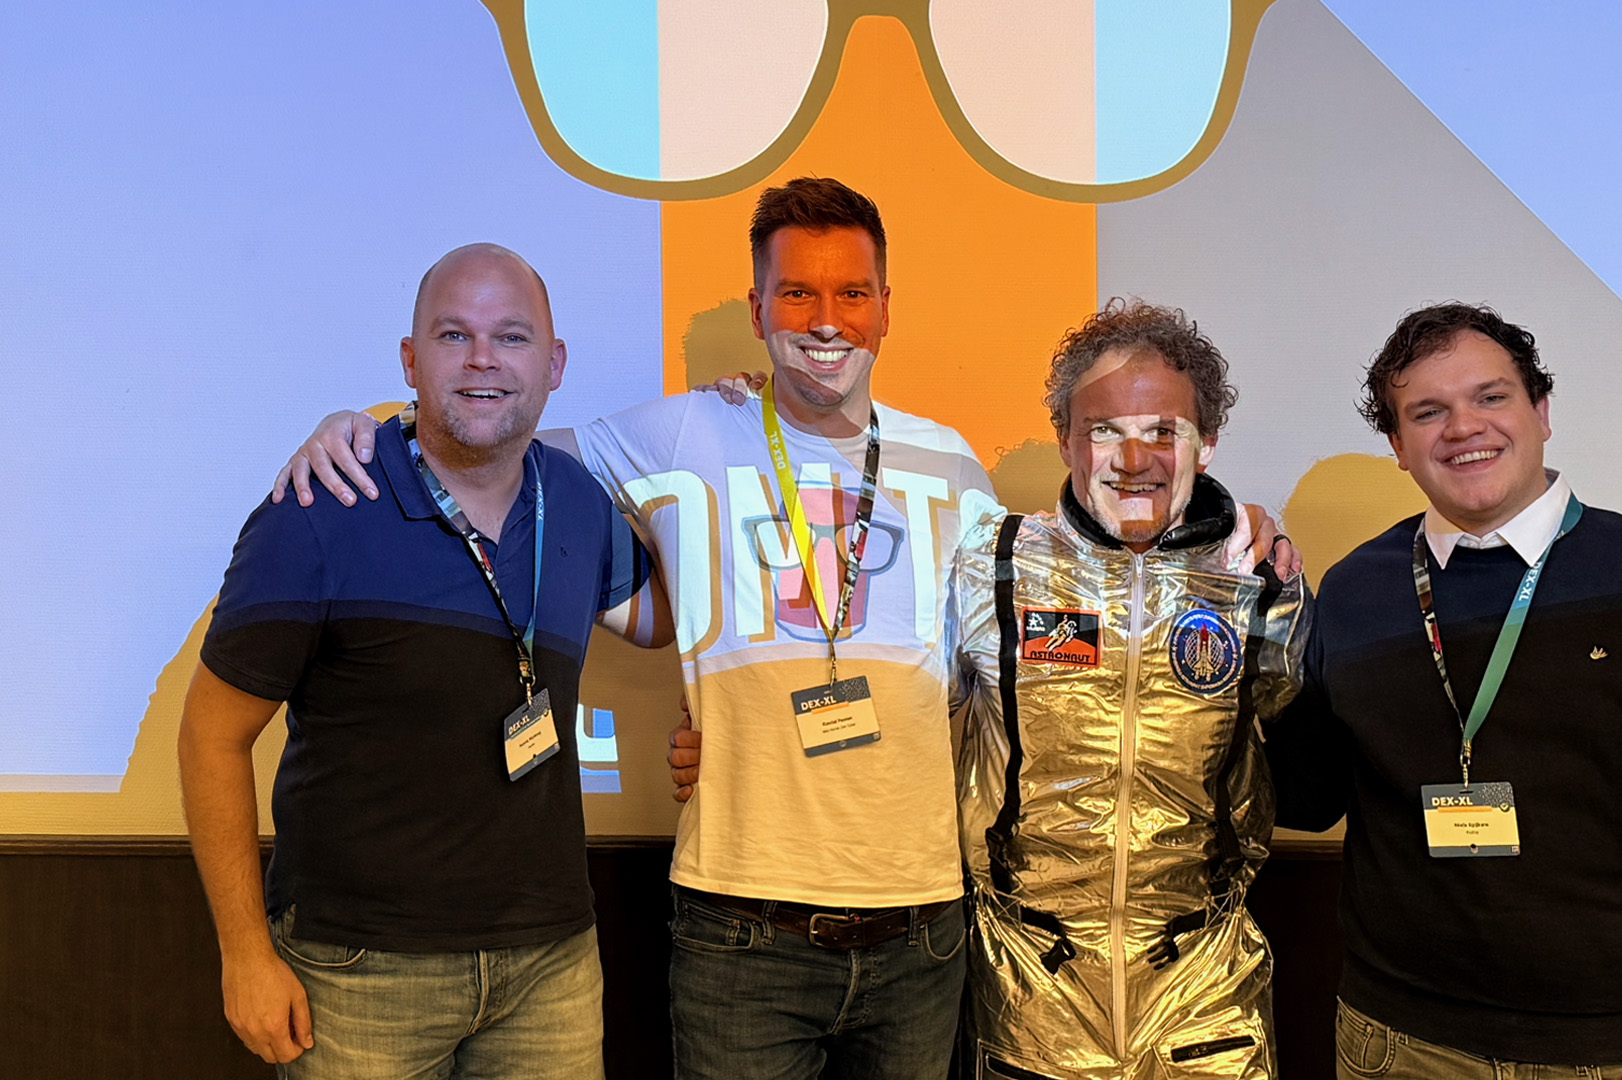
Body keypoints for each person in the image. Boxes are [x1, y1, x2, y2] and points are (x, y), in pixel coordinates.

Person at [277, 181, 1281, 1079]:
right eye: (796, 293)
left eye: (851, 293)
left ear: (885, 309)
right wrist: (369, 426)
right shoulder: (681, 434)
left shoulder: (949, 465)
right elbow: (492, 436)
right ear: (758, 309)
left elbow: (1054, 644)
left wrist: (1235, 533)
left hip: (923, 927)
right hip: (739, 927)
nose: (825, 320)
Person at [1272, 303, 1622, 1080]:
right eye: (1428, 411)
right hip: (1398, 1043)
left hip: (1616, 1054)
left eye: (1490, 397)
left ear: (1542, 412)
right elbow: (1307, 797)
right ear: (1398, 446)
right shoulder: (1355, 592)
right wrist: (1253, 630)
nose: (1463, 427)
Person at [179, 243, 662, 1076]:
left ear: (553, 365)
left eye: (511, 337)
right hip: (358, 972)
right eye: (453, 335)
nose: (483, 359)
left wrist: (737, 432)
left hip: (551, 968)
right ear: (410, 360)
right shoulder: (321, 506)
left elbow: (669, 622)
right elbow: (210, 737)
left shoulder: (578, 505)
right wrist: (244, 954)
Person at [948, 301, 1307, 1079]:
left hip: (1205, 992)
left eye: (1164, 431)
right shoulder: (991, 567)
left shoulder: (1258, 583)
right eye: (1104, 429)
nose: (1134, 458)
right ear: (1065, 439)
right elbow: (897, 710)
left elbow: (1308, 748)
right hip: (1029, 989)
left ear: (1205, 442)